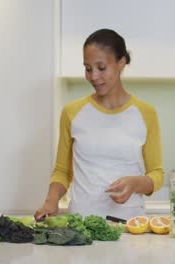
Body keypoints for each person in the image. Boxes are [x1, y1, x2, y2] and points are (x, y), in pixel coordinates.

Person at [34, 29, 164, 220]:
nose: (93, 76)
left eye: (101, 67)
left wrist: (136, 183)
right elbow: (62, 171)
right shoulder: (72, 112)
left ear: (121, 63)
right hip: (82, 228)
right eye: (88, 68)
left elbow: (156, 173)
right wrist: (50, 201)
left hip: (129, 228)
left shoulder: (146, 113)